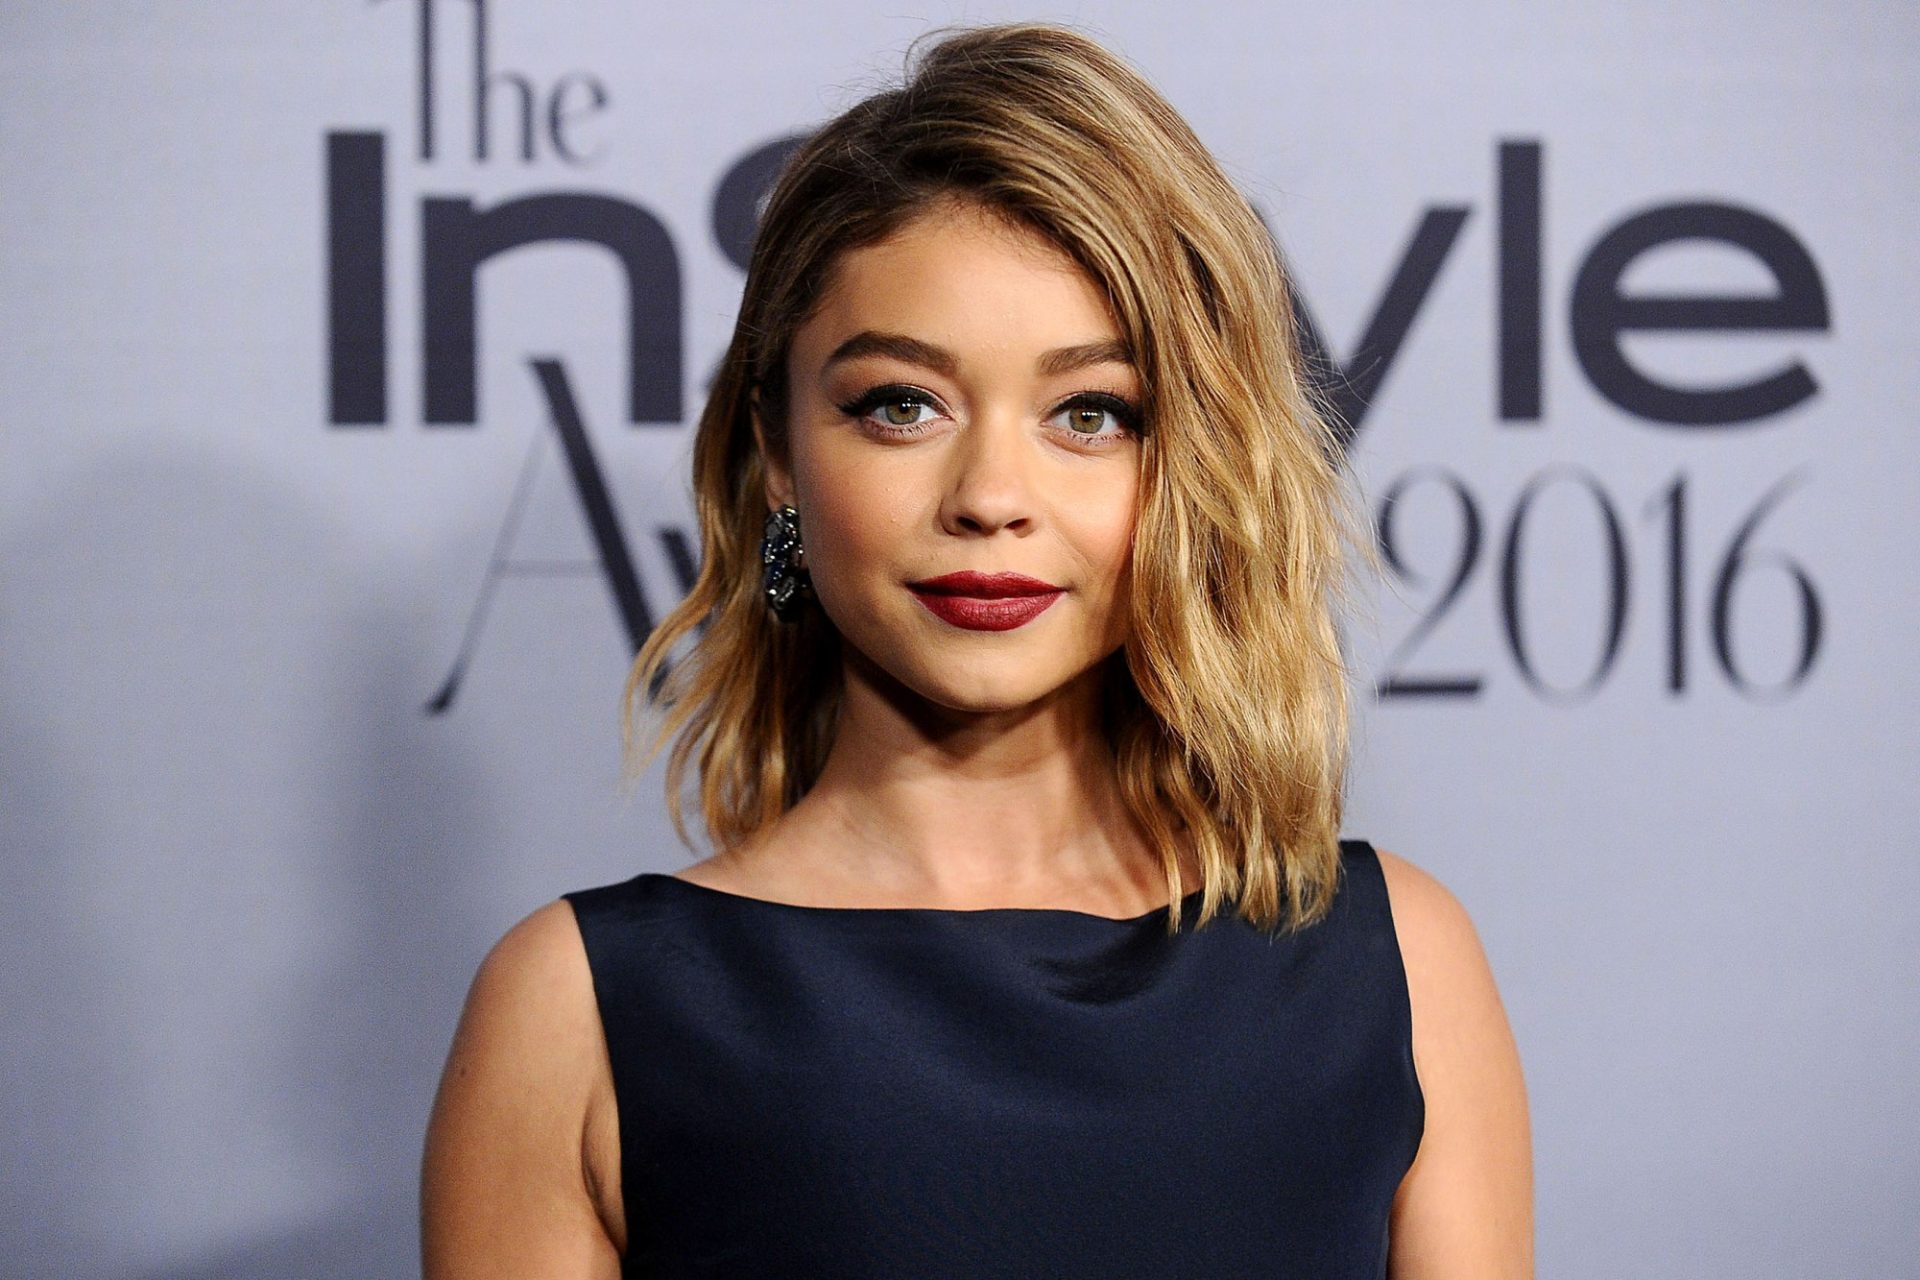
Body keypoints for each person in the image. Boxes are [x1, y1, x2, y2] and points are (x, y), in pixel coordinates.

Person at [420, 20, 1531, 1279]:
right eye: (901, 404)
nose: (992, 495)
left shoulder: (1397, 968)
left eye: (1091, 413)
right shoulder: (577, 1012)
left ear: (1193, 463)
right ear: (779, 450)